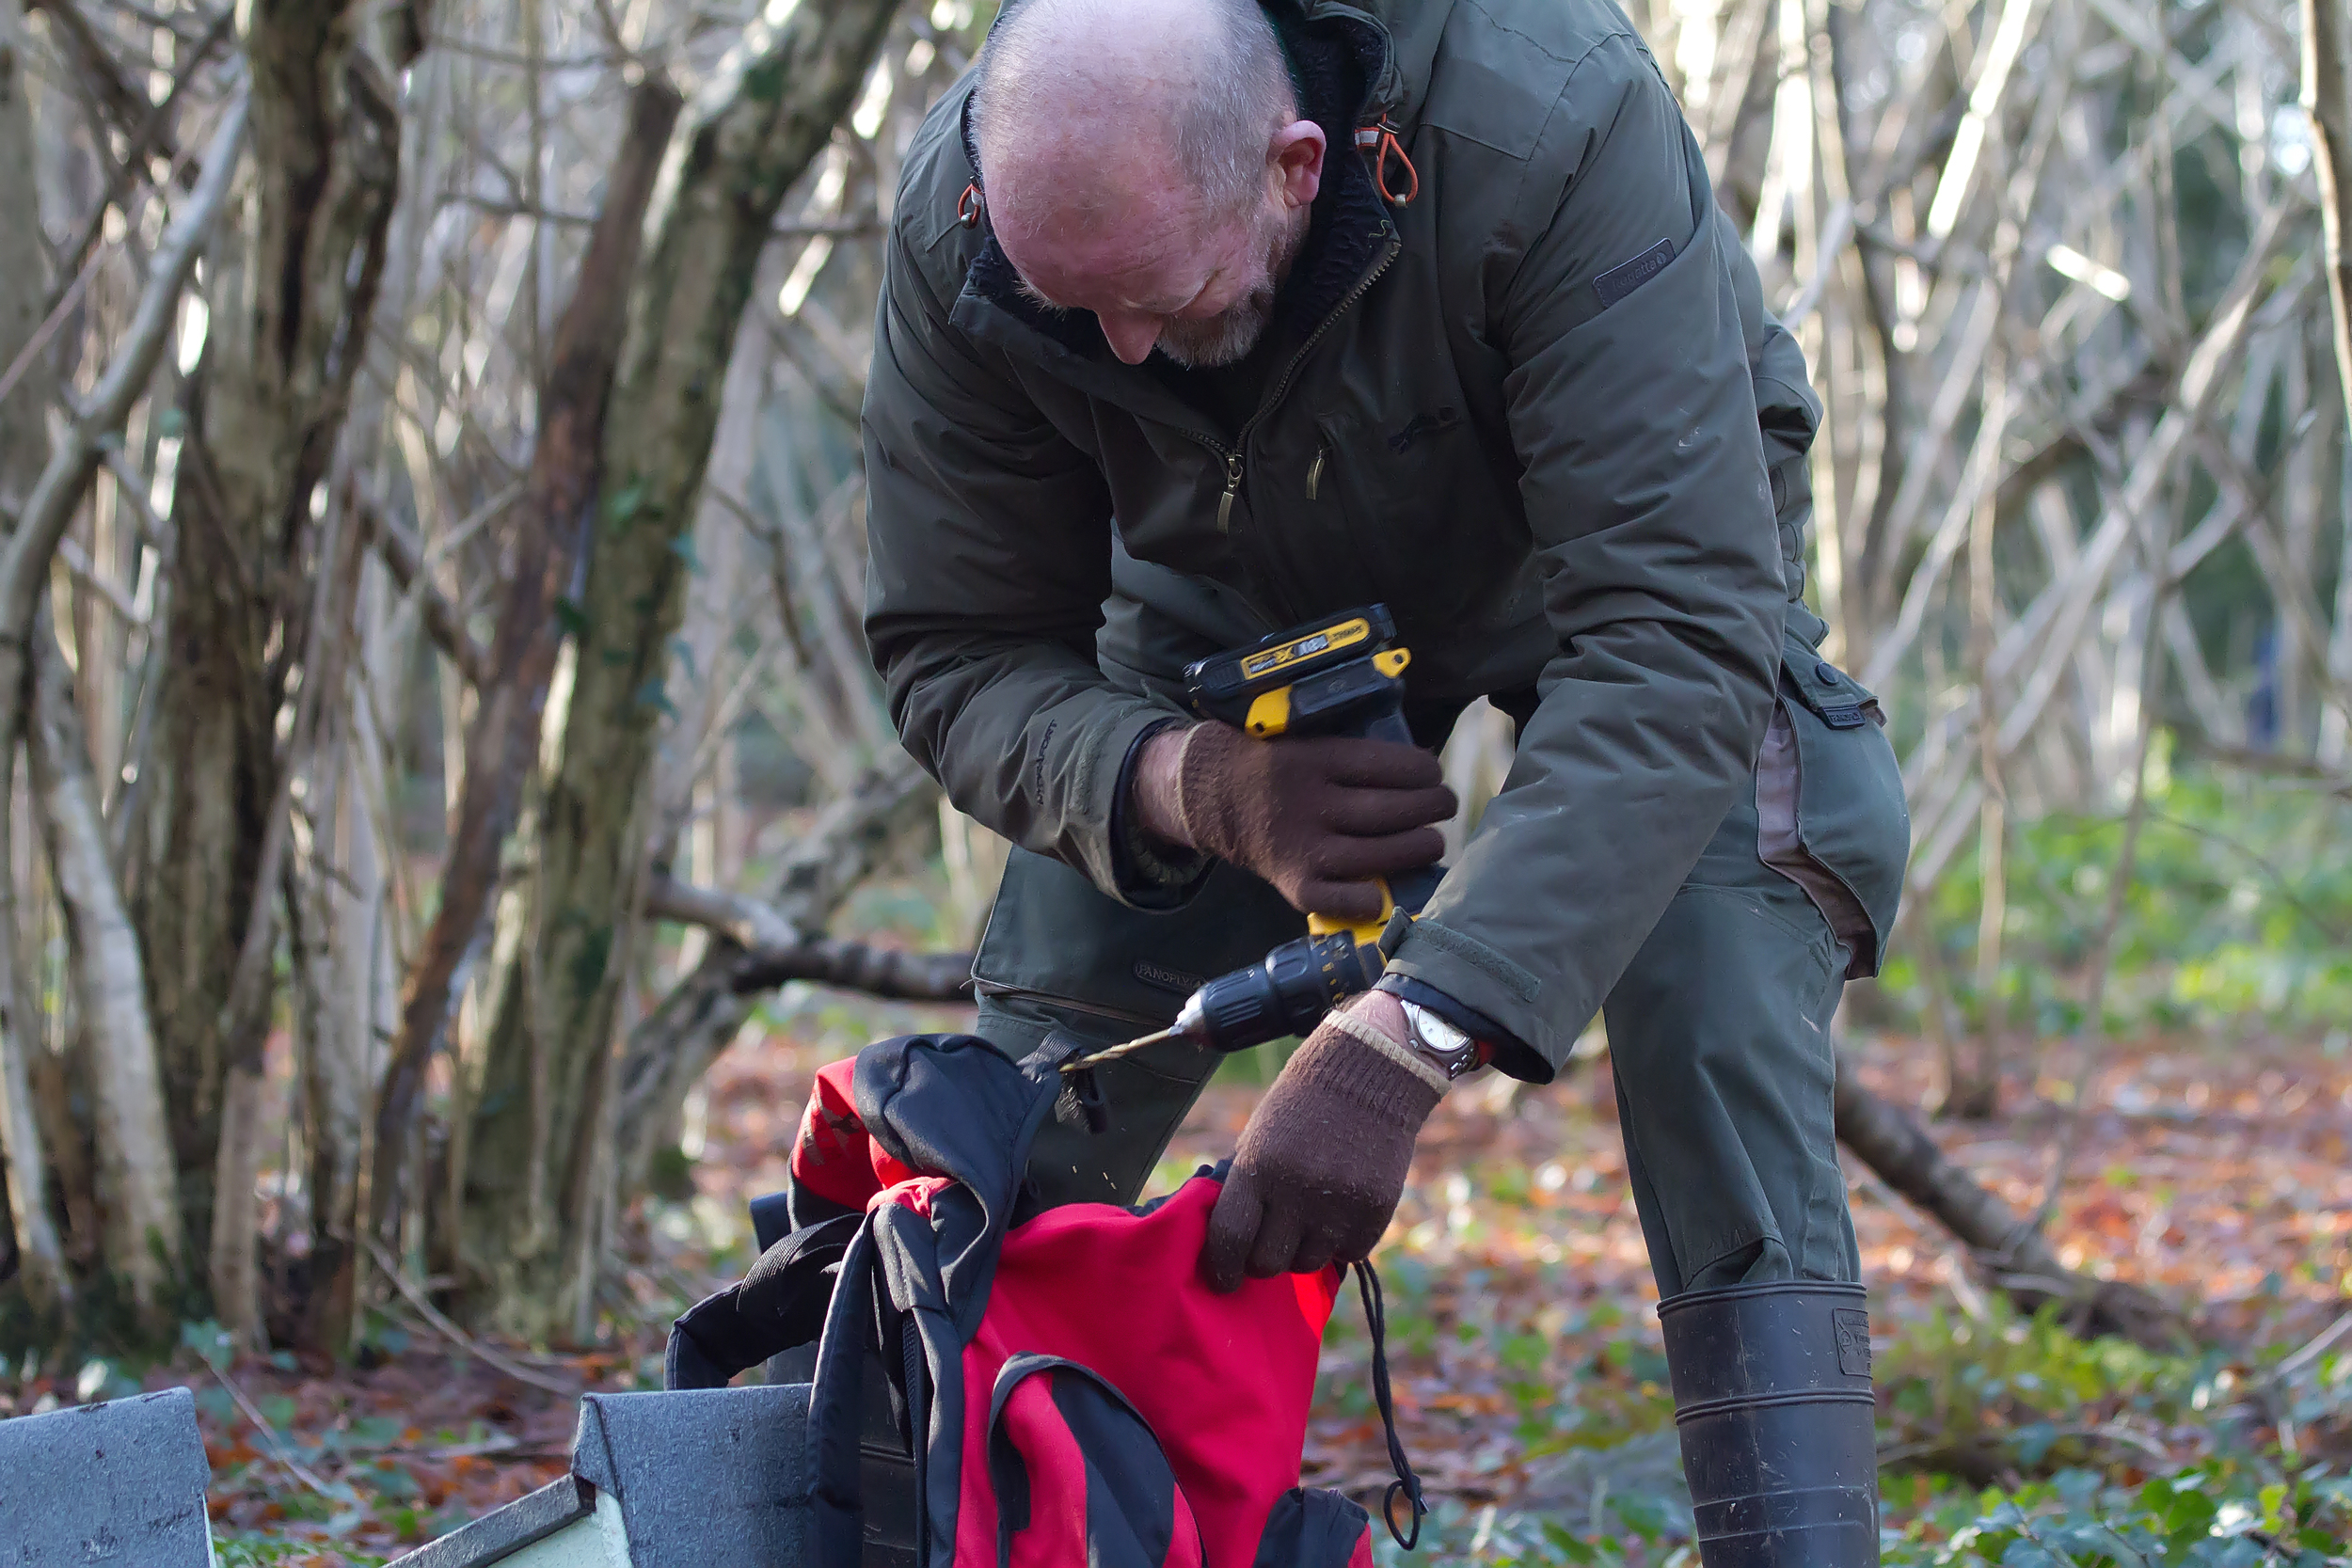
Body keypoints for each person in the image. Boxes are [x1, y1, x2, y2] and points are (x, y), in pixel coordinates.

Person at [860, 0, 1912, 1560]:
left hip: (1612, 565)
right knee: (1025, 1107)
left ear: (1299, 167)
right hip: (1219, 603)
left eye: (1158, 297)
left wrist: (1406, 1036)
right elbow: (957, 647)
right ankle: (909, 1505)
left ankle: (1796, 1543)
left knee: (1713, 985)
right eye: (1075, 315)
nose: (1121, 352)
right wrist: (1182, 784)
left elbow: (1676, 630)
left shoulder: (1547, 123)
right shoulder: (975, 226)